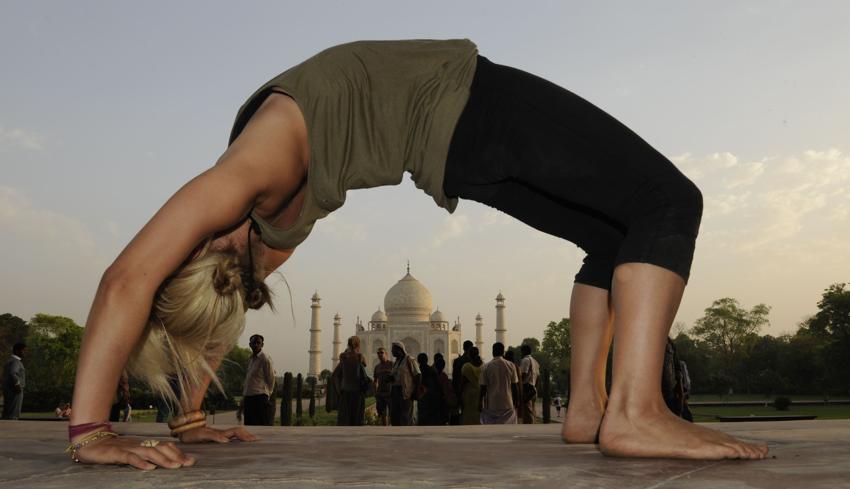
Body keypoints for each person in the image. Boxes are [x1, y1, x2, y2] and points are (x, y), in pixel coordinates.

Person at [68, 39, 767, 468]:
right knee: (668, 200)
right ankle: (637, 410)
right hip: (470, 103)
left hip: (454, 146)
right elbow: (141, 282)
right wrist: (94, 433)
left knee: (614, 238)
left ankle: (591, 406)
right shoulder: (258, 209)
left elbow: (134, 280)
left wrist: (142, 420)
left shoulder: (250, 195)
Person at [479, 342, 518, 424]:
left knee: (492, 429)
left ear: (493, 351)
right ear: (503, 352)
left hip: (492, 403)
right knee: (508, 429)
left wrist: (479, 402)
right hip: (507, 402)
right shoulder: (511, 365)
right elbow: (514, 386)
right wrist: (517, 401)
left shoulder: (486, 366)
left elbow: (483, 388)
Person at [243, 334, 275, 426]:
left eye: (258, 343)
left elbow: (271, 378)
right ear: (250, 344)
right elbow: (249, 380)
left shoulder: (265, 359)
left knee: (260, 426)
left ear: (262, 345)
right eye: (254, 343)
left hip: (260, 398)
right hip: (249, 398)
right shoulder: (250, 359)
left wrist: (268, 395)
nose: (256, 345)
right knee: (249, 426)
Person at [333, 336, 366, 426]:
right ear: (358, 345)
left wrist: (338, 391)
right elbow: (365, 364)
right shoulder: (359, 356)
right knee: (356, 420)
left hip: (345, 391)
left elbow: (334, 375)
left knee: (345, 420)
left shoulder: (343, 357)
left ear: (348, 345)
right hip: (357, 392)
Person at [388, 342, 419, 426]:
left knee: (405, 416)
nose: (392, 352)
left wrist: (415, 391)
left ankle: (407, 436)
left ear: (399, 350)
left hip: (405, 392)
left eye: (393, 350)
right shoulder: (396, 362)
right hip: (395, 391)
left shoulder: (409, 360)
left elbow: (418, 374)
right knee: (394, 416)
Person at [450, 340, 474, 424]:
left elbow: (455, 377)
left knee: (463, 412)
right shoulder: (475, 362)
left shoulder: (457, 361)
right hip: (474, 391)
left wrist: (456, 392)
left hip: (461, 390)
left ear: (463, 348)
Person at [2, 342, 26, 420]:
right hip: (15, 391)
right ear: (17, 351)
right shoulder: (16, 361)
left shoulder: (9, 361)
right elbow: (13, 373)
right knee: (14, 413)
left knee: (8, 411)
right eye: (23, 350)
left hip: (9, 390)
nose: (25, 352)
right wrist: (17, 384)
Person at [460, 347, 483, 425]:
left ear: (469, 355)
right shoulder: (483, 366)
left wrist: (460, 396)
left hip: (469, 394)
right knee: (478, 416)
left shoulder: (466, 367)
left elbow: (462, 383)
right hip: (480, 393)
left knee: (468, 416)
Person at [372, 347, 394, 426]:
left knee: (392, 414)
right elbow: (375, 381)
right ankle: (385, 431)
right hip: (381, 394)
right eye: (378, 353)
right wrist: (375, 393)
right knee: (383, 414)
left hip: (390, 393)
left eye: (381, 352)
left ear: (386, 354)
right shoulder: (377, 367)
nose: (380, 354)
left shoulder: (392, 364)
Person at [519, 344, 540, 424]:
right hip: (533, 388)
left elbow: (523, 374)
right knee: (532, 411)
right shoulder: (535, 362)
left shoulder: (525, 360)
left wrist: (520, 387)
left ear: (524, 351)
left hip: (527, 387)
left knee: (527, 412)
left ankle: (529, 429)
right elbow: (538, 378)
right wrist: (536, 389)